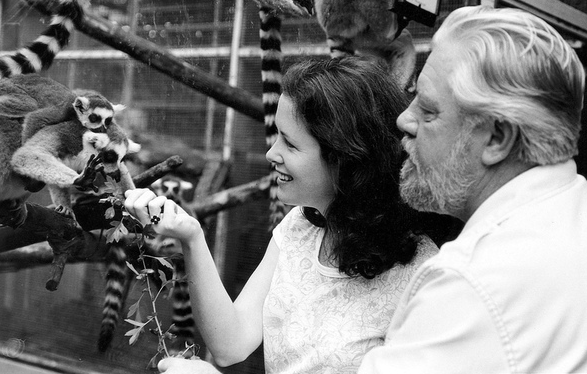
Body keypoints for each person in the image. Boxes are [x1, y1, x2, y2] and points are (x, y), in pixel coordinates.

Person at [124, 56, 439, 373]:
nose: (271, 153)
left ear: (343, 158)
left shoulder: (424, 276)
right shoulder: (299, 227)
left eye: (289, 143)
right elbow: (230, 344)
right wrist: (192, 237)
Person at [358, 5, 587, 373]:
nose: (404, 119)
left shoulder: (471, 283)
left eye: (429, 111)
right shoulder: (578, 209)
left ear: (497, 138)